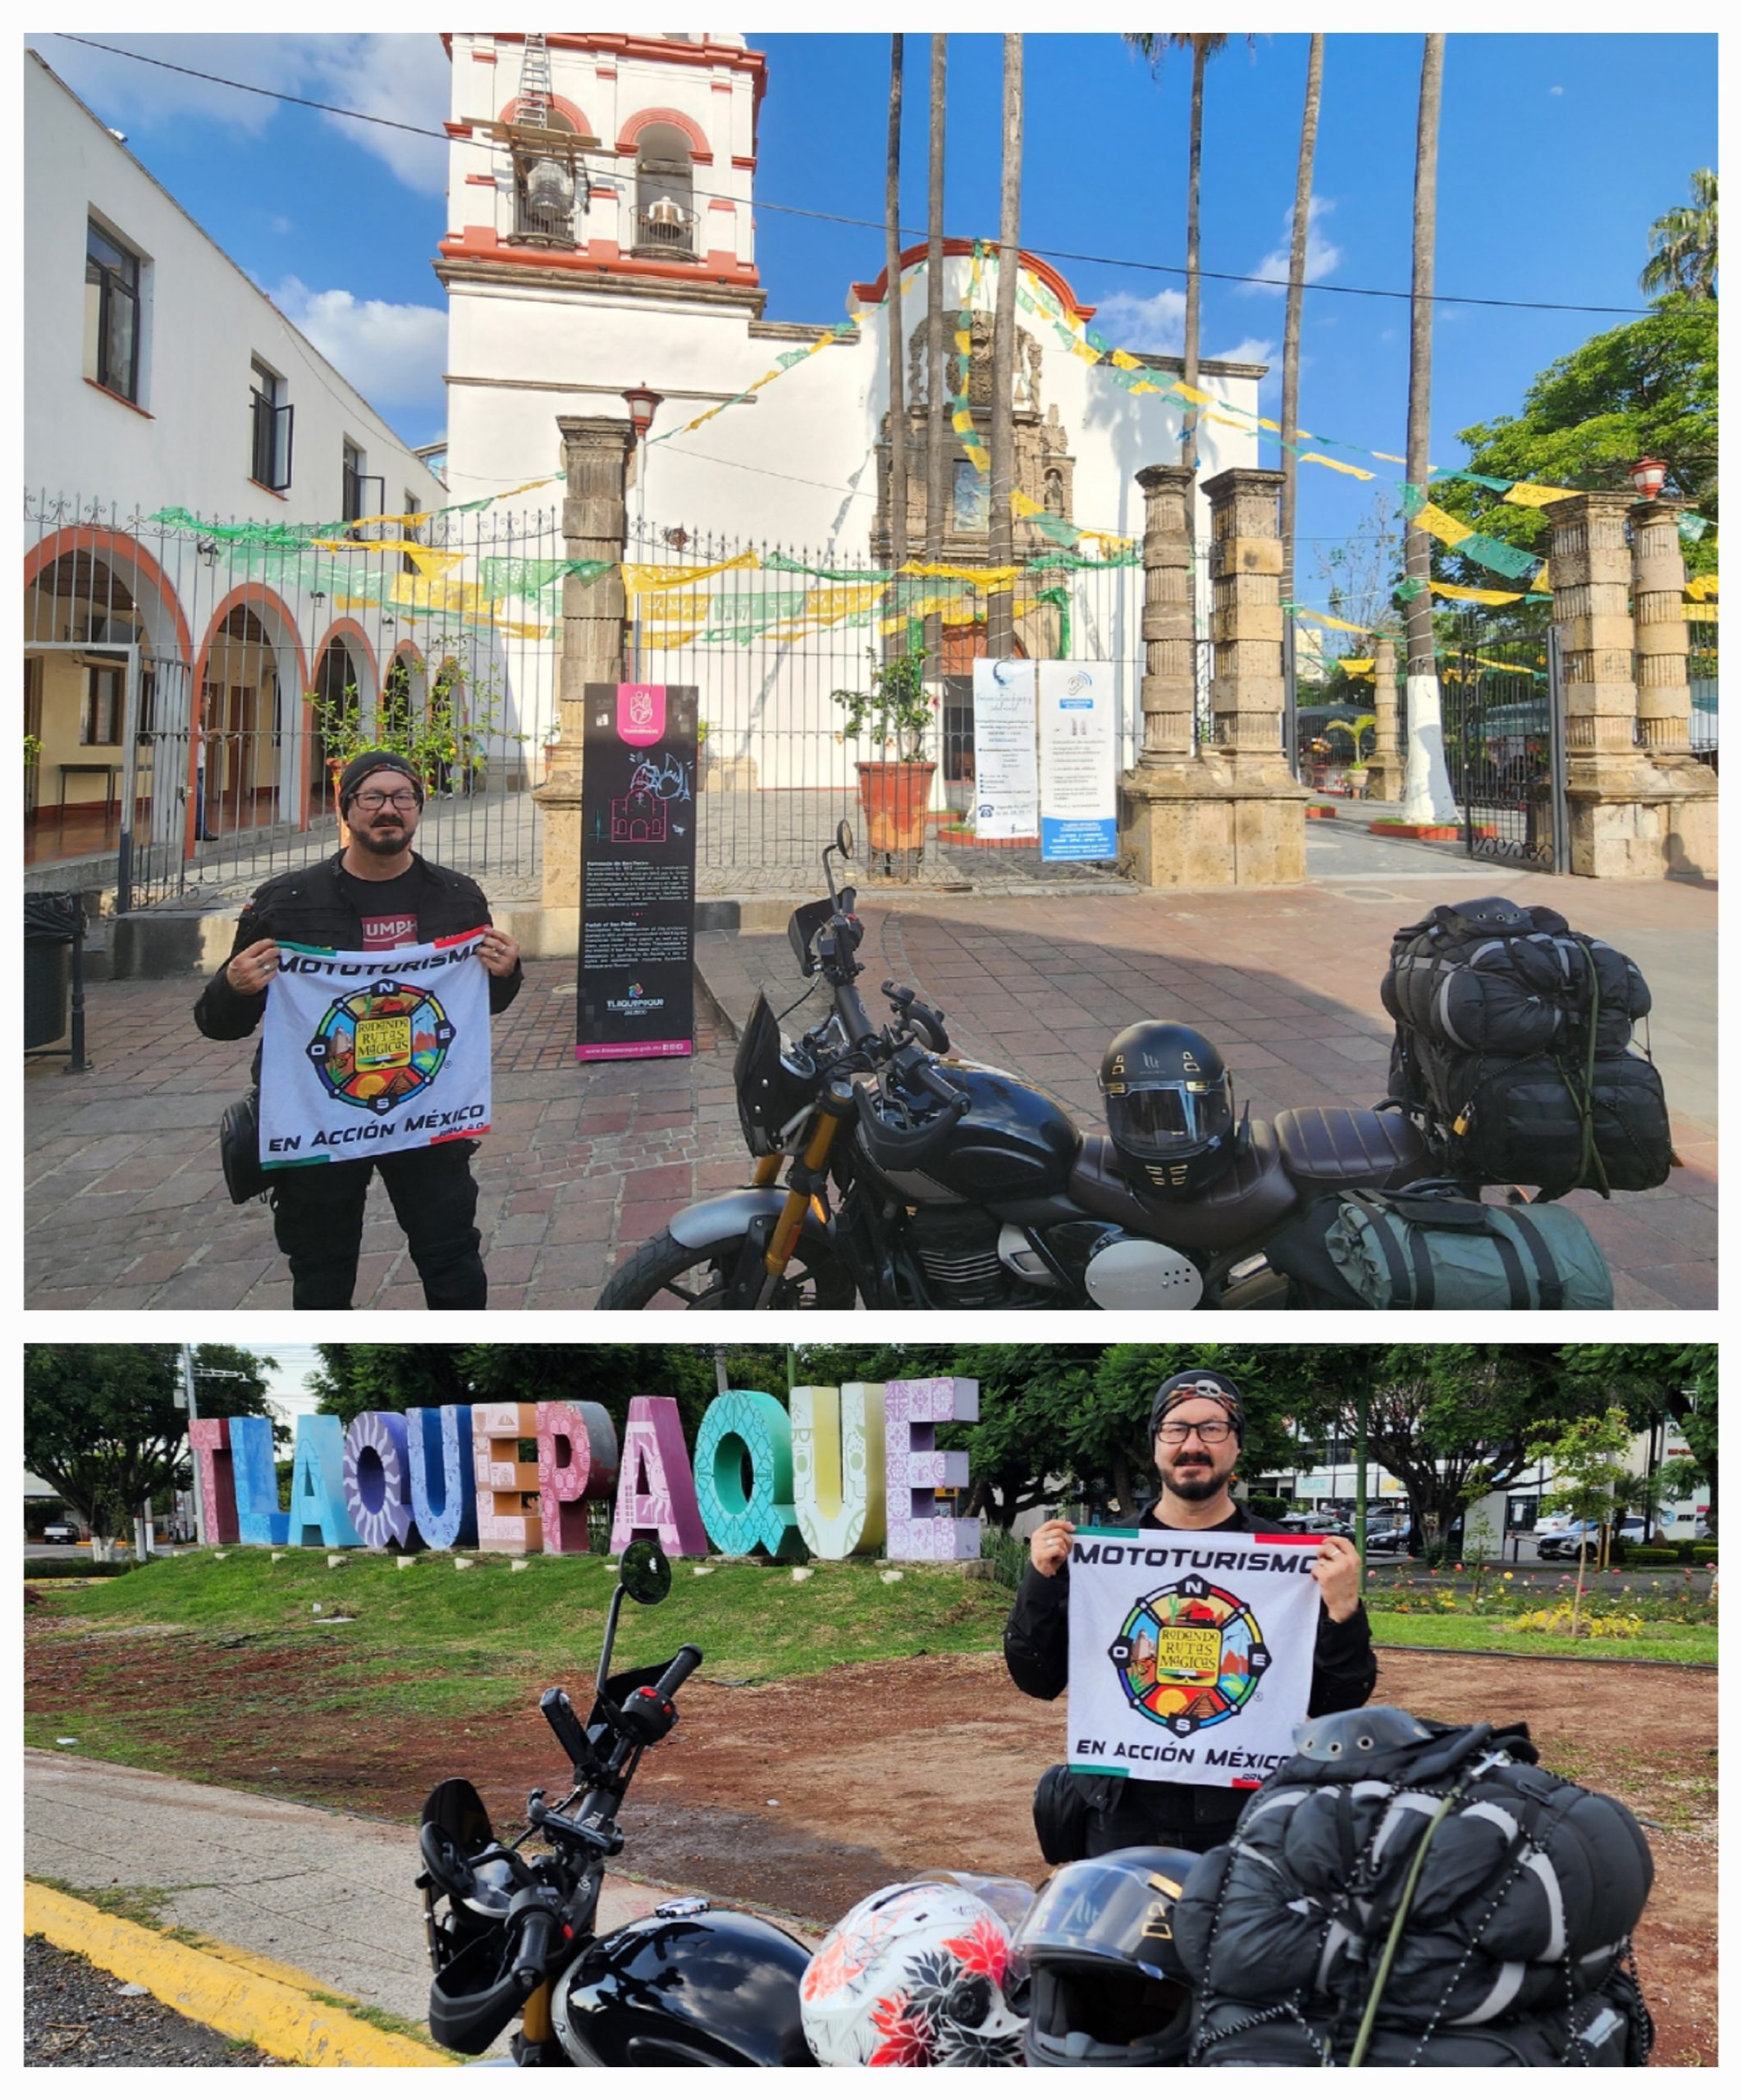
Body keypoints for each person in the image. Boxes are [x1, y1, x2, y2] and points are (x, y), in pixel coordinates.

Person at [194, 749, 523, 1309]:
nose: (388, 809)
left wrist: (506, 972)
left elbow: (478, 1006)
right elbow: (218, 1024)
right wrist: (234, 986)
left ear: (418, 809)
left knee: (452, 1259)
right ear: (346, 809)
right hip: (318, 1121)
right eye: (372, 797)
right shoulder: (287, 903)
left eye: (402, 797)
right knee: (321, 1271)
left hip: (425, 1116)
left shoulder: (458, 898)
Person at [1004, 1367, 1376, 1861]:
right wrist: (1040, 1582)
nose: (1193, 1444)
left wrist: (1343, 1612)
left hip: (1248, 1819)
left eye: (1212, 1429)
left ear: (1237, 1445)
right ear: (1156, 1445)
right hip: (1121, 1814)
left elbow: (1336, 1703)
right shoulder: (1099, 1559)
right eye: (1176, 1429)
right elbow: (1036, 1678)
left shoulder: (1294, 1563)